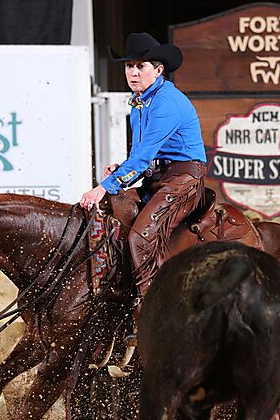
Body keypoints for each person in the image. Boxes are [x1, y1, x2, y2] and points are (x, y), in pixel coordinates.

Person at [79, 32, 207, 317]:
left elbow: (143, 156)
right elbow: (141, 156)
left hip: (183, 180)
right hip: (160, 178)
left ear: (158, 70)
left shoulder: (167, 103)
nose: (133, 72)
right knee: (115, 214)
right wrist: (121, 171)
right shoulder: (140, 102)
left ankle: (152, 310)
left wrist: (104, 186)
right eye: (129, 66)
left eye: (140, 66)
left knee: (140, 238)